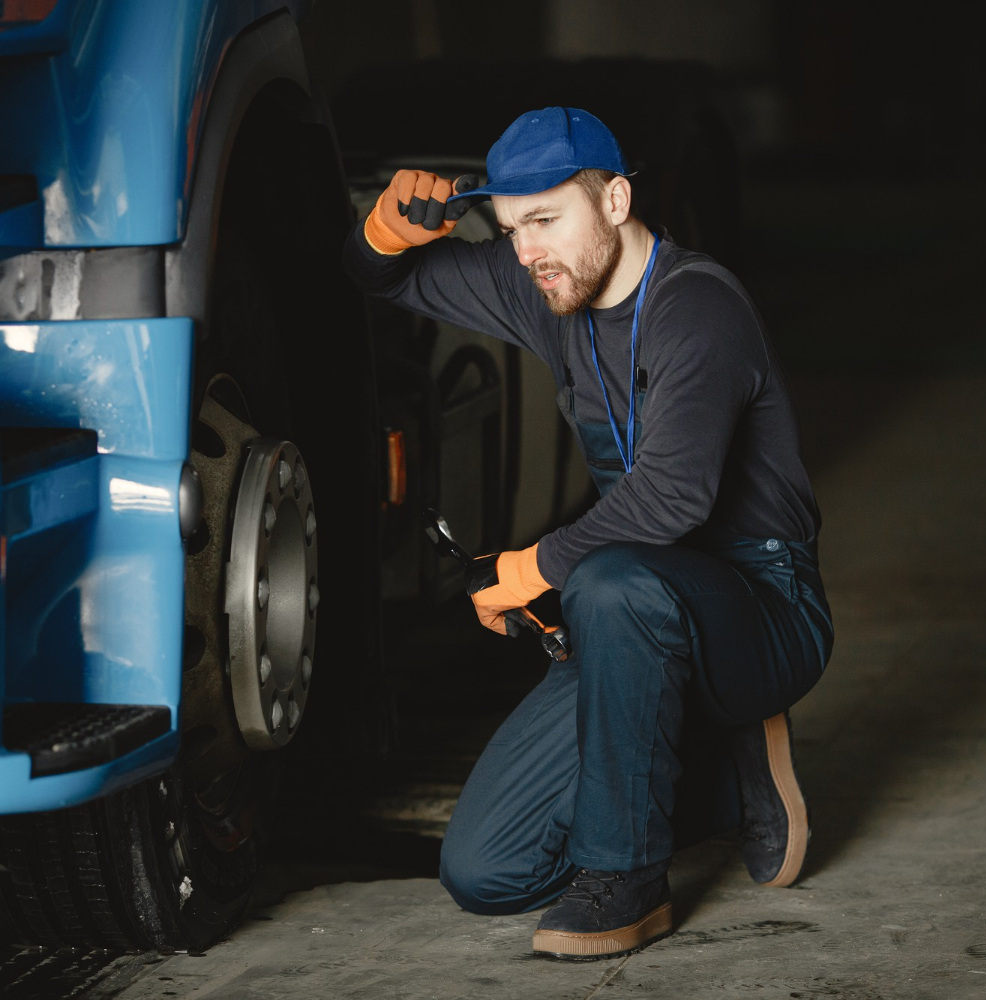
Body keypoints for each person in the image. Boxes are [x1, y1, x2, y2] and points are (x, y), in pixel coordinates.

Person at [342, 108, 834, 961]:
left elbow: (673, 498)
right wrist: (384, 233)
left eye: (545, 220)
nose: (528, 251)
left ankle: (627, 878)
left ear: (614, 199)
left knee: (606, 581)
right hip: (629, 611)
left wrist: (530, 569)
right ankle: (717, 773)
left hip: (761, 604)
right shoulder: (547, 287)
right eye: (510, 229)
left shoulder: (698, 308)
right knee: (484, 870)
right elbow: (380, 285)